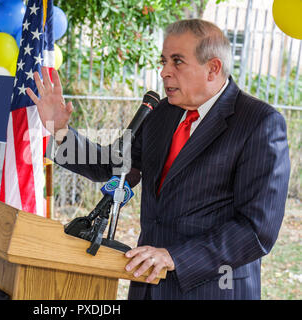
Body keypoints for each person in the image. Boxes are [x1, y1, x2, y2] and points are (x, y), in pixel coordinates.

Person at [26, 19, 290, 300]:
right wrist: (60, 131)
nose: (164, 72)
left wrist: (174, 257)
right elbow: (113, 165)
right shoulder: (161, 113)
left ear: (213, 68)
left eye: (177, 62)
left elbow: (256, 231)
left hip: (213, 289)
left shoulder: (259, 123)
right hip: (148, 286)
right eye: (164, 61)